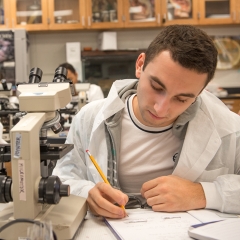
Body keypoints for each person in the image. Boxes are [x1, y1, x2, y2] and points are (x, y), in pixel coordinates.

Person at [53, 25, 240, 219]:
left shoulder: (229, 129)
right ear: (140, 65)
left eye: (182, 99)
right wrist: (86, 193)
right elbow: (63, 178)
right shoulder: (89, 118)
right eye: (157, 87)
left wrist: (204, 194)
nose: (161, 109)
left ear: (200, 92)